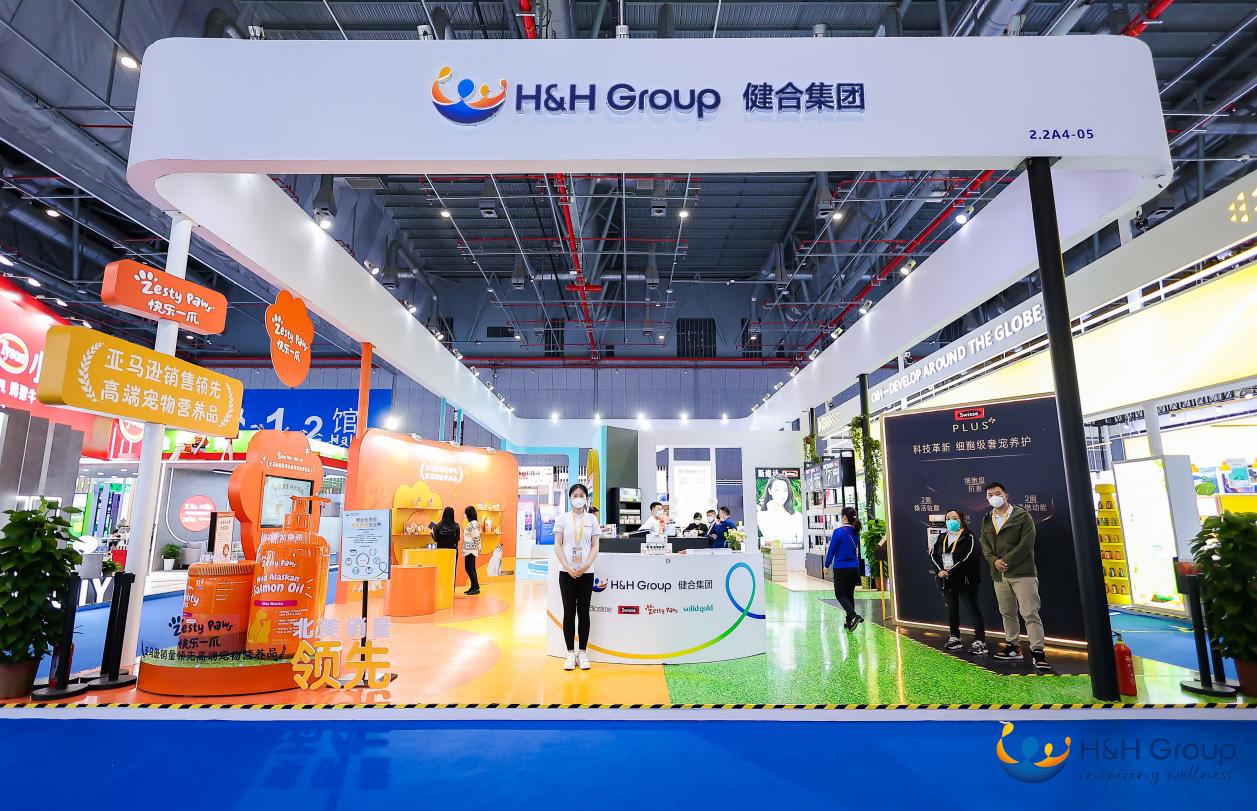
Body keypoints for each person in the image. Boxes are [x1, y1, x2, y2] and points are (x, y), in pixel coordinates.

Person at [979, 482, 1049, 670]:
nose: (994, 497)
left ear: (1006, 495)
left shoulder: (1022, 516)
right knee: (1007, 612)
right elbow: (984, 544)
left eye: (997, 493)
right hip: (999, 575)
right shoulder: (987, 519)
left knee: (1030, 613)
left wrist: (1006, 561)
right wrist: (994, 561)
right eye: (990, 495)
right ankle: (1013, 647)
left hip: (1022, 572)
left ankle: (1038, 652)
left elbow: (1027, 543)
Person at [554, 483, 600, 671]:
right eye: (575, 495)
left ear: (586, 498)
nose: (578, 498)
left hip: (586, 573)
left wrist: (585, 565)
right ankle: (570, 653)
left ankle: (583, 652)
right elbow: (557, 545)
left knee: (583, 612)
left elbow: (595, 546)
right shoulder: (562, 519)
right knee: (569, 612)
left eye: (582, 495)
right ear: (570, 498)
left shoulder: (592, 519)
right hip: (566, 573)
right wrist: (567, 566)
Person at [931, 509, 987, 655]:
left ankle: (980, 641)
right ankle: (954, 637)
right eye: (948, 518)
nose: (951, 521)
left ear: (961, 520)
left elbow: (970, 557)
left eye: (954, 518)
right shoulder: (942, 537)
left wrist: (950, 570)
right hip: (946, 580)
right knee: (952, 609)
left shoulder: (969, 537)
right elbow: (933, 555)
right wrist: (939, 571)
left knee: (972, 609)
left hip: (965, 580)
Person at [825, 506, 864, 631]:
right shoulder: (856, 531)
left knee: (840, 595)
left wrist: (826, 565)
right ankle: (849, 622)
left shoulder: (838, 532)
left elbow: (832, 550)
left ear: (845, 517)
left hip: (841, 568)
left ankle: (853, 616)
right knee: (849, 595)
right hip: (854, 567)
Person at [757, 474, 803, 546]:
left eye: (785, 490)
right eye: (777, 490)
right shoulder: (761, 515)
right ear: (769, 491)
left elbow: (801, 543)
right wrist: (772, 511)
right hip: (771, 552)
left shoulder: (797, 516)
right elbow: (772, 537)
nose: (781, 494)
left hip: (793, 552)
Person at [462, 505, 481, 596]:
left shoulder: (472, 525)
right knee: (472, 568)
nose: (464, 515)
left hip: (470, 549)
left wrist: (478, 547)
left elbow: (476, 537)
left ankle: (476, 587)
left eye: (465, 513)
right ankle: (473, 586)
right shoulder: (474, 523)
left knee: (469, 568)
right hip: (471, 549)